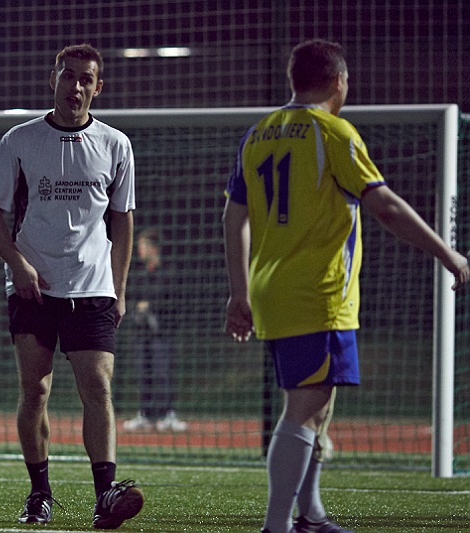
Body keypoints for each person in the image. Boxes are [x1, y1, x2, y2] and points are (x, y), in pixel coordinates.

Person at [222, 39, 469, 533]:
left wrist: (240, 292)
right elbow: (386, 207)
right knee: (305, 407)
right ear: (338, 81)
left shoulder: (258, 134)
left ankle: (310, 515)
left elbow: (233, 216)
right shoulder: (334, 132)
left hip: (272, 289)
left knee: (319, 406)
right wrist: (448, 253)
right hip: (317, 293)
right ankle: (276, 525)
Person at [0, 43, 144, 529]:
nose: (76, 86)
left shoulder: (116, 144)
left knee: (98, 387)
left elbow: (123, 221)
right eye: (68, 76)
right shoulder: (20, 140)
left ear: (98, 87)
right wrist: (18, 264)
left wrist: (120, 288)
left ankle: (105, 495)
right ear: (54, 79)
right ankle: (39, 494)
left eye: (85, 78)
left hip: (93, 286)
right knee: (36, 390)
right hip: (34, 287)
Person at [123, 227, 188, 432]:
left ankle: (167, 414)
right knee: (144, 373)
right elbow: (131, 299)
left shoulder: (169, 274)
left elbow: (174, 303)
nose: (140, 250)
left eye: (143, 246)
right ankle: (145, 414)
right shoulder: (140, 275)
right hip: (143, 334)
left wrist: (151, 307)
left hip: (163, 333)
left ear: (154, 248)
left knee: (163, 372)